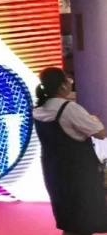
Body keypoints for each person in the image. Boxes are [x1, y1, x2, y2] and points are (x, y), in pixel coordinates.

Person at [33, 67, 107, 235]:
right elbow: (100, 133)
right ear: (62, 85)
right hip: (79, 173)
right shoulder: (68, 108)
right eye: (68, 80)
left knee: (70, 221)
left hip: (53, 171)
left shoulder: (38, 109)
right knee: (84, 221)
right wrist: (93, 121)